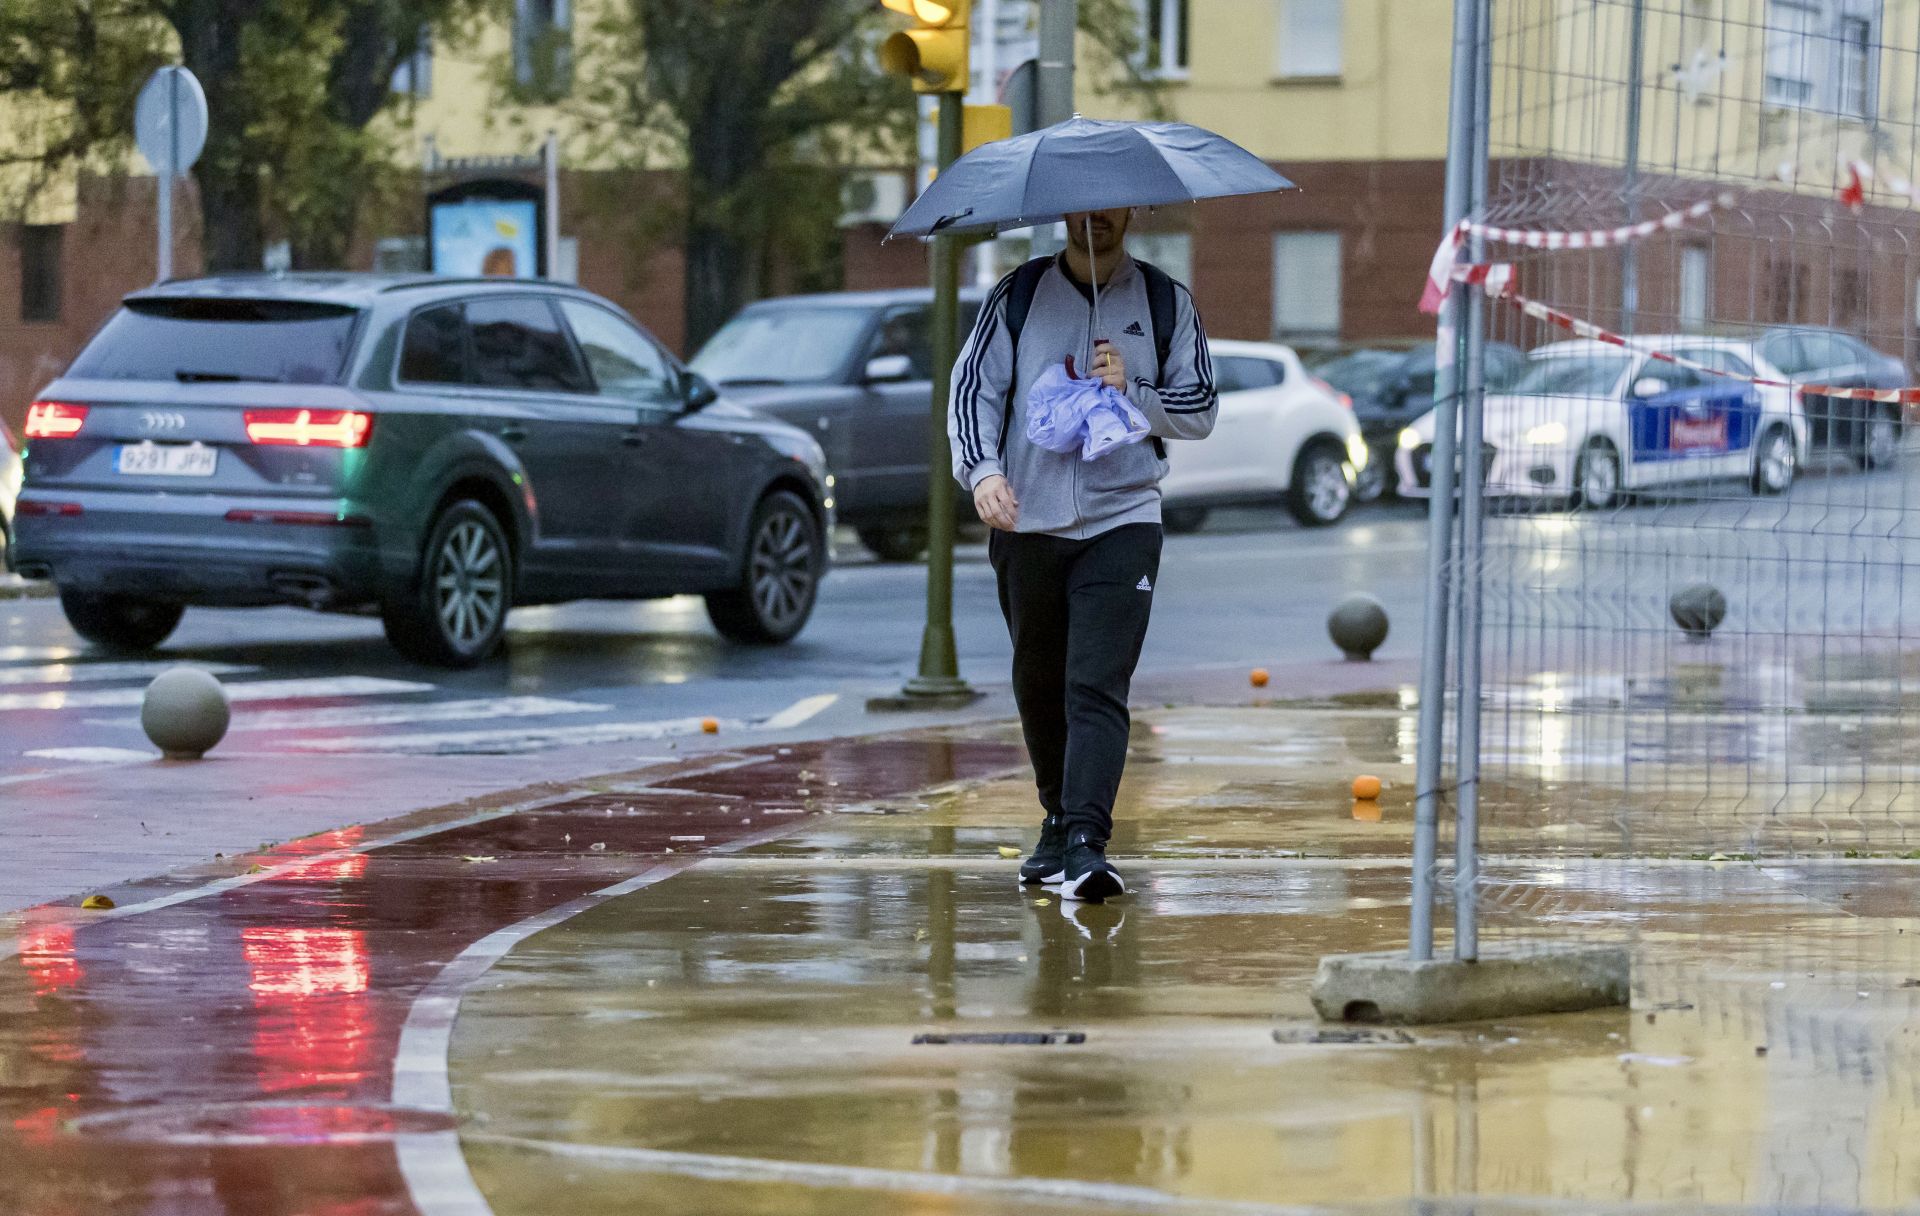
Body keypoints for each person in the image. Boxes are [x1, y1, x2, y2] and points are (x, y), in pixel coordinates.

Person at [948, 206, 1218, 902]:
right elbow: (973, 392)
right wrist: (983, 473)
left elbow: (1201, 407)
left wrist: (1133, 389)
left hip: (1123, 518)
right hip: (1026, 521)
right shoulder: (1018, 295)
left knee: (1096, 684)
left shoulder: (1163, 301)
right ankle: (1056, 820)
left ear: (1131, 212)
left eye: (1111, 207)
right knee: (1040, 685)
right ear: (1066, 211)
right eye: (1084, 207)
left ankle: (1086, 845)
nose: (1096, 218)